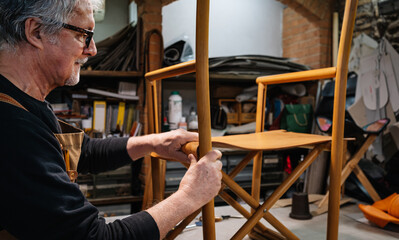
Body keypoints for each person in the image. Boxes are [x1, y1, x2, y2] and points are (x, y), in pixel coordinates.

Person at [0, 0, 223, 239]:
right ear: (36, 31)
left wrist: (154, 142)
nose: (92, 49)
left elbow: (82, 152)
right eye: (83, 35)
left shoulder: (22, 101)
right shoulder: (12, 128)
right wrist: (189, 196)